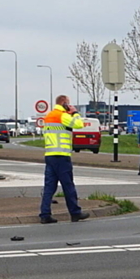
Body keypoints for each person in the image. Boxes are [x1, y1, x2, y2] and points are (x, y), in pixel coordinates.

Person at [39, 94, 90, 224]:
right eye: (68, 103)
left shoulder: (48, 116)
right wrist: (75, 113)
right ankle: (75, 213)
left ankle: (45, 214)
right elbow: (79, 124)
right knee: (68, 186)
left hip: (50, 155)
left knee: (49, 187)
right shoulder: (62, 116)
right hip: (62, 155)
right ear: (64, 103)